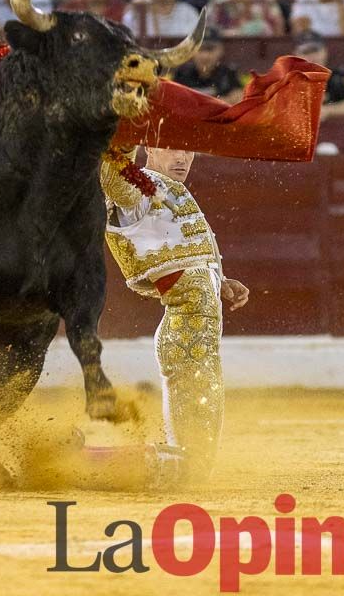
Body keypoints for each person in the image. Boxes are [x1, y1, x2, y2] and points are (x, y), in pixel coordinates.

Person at [99, 145, 250, 484]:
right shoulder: (139, 187)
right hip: (185, 327)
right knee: (192, 459)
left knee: (200, 438)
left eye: (189, 151)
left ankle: (132, 466)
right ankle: (104, 466)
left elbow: (185, 255)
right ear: (149, 148)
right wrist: (126, 135)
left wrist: (221, 282)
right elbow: (110, 177)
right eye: (171, 149)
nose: (182, 158)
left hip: (195, 326)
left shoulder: (168, 190)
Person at [293, 31, 344, 119]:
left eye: (315, 50)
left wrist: (327, 111)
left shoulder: (336, 77)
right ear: (296, 56)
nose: (312, 57)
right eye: (306, 52)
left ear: (325, 52)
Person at [172, 27, 243, 104]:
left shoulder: (228, 74)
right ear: (191, 50)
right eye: (200, 49)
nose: (205, 56)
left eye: (210, 49)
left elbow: (238, 100)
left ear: (221, 50)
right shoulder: (182, 74)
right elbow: (172, 101)